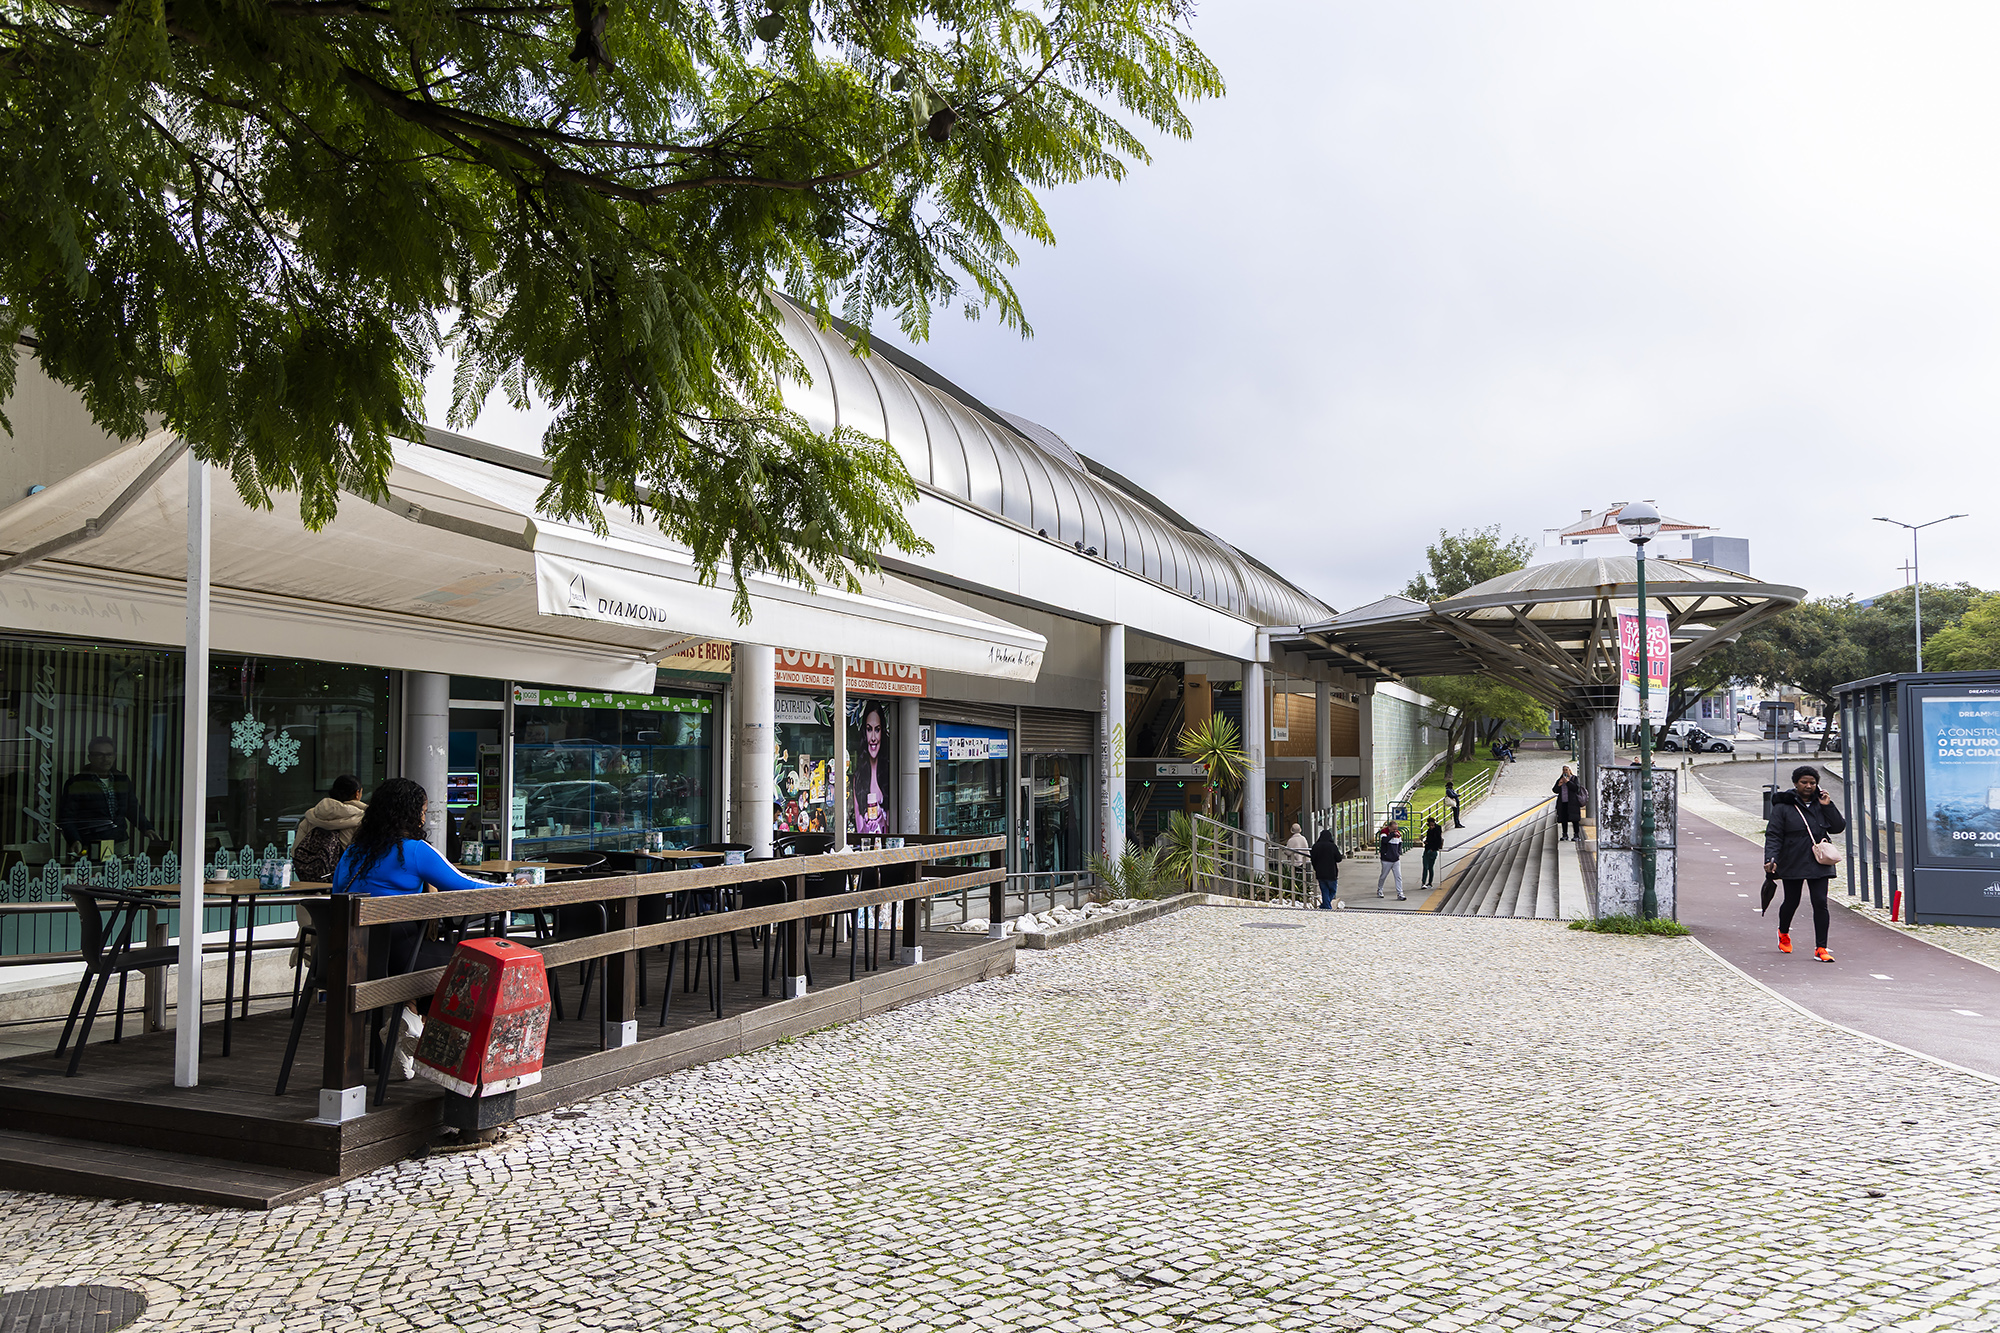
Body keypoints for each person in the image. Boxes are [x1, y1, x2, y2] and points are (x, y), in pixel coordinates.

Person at [333, 778, 497, 1077]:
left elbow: (336, 893)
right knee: (474, 963)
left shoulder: (353, 851)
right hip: (397, 957)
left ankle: (408, 1019)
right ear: (410, 813)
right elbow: (466, 887)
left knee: (426, 959)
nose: (424, 816)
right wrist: (513, 886)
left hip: (347, 961)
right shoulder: (413, 850)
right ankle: (425, 1035)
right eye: (422, 809)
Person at [1763, 765, 1847, 963]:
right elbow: (1774, 834)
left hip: (1819, 859)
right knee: (1792, 901)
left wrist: (1828, 805)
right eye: (1804, 782)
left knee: (1820, 901)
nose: (1808, 786)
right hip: (1792, 858)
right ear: (1795, 783)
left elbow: (1838, 827)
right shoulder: (1784, 806)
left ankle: (1821, 948)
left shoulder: (1821, 803)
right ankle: (1783, 932)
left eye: (1812, 782)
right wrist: (1770, 859)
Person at [57, 735, 155, 856]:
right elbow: (67, 817)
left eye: (109, 755)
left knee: (119, 874)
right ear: (90, 757)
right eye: (99, 755)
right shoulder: (77, 783)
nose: (105, 759)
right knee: (93, 875)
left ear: (114, 756)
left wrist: (146, 828)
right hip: (90, 843)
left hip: (119, 842)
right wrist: (74, 840)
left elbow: (132, 808)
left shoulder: (122, 780)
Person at [291, 775, 367, 882]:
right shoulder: (362, 819)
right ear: (357, 793)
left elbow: (295, 851)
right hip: (346, 882)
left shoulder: (312, 816)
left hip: (312, 881)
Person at [851, 702, 890, 835]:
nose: (873, 738)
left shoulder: (890, 774)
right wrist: (868, 825)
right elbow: (859, 830)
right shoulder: (859, 777)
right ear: (864, 733)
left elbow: (894, 831)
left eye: (877, 730)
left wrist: (882, 819)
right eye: (869, 729)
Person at [1309, 829, 1344, 909]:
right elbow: (1339, 859)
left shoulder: (1316, 846)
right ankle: (1327, 906)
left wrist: (1316, 868)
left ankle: (1325, 905)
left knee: (1324, 890)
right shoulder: (1332, 846)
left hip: (1320, 873)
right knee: (1333, 890)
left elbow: (1313, 859)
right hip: (1331, 873)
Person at [1551, 765, 1585, 842]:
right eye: (1563, 770)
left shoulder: (1574, 778)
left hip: (1572, 803)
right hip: (1563, 802)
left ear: (1570, 770)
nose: (1565, 771)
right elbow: (1555, 790)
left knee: (1574, 819)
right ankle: (1565, 834)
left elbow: (1576, 788)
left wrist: (1568, 782)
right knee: (1563, 818)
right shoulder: (1561, 779)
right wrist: (1559, 784)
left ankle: (1576, 834)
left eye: (1566, 770)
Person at [1376, 818, 1405, 900]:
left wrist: (1398, 852)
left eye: (1396, 828)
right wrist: (1391, 835)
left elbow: (1400, 843)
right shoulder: (1384, 832)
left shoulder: (1398, 834)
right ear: (1389, 827)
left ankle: (1400, 893)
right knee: (1383, 875)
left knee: (1398, 876)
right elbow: (1384, 841)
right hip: (1386, 859)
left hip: (1395, 859)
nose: (1395, 830)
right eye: (1393, 828)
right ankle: (1380, 889)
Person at [1420, 818, 1444, 889]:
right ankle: (1424, 882)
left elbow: (1438, 840)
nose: (1431, 827)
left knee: (1430, 867)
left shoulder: (1437, 830)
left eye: (1432, 825)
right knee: (1426, 867)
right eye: (1430, 825)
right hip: (1428, 849)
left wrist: (1432, 848)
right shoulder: (1429, 831)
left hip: (1432, 850)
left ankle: (1430, 882)